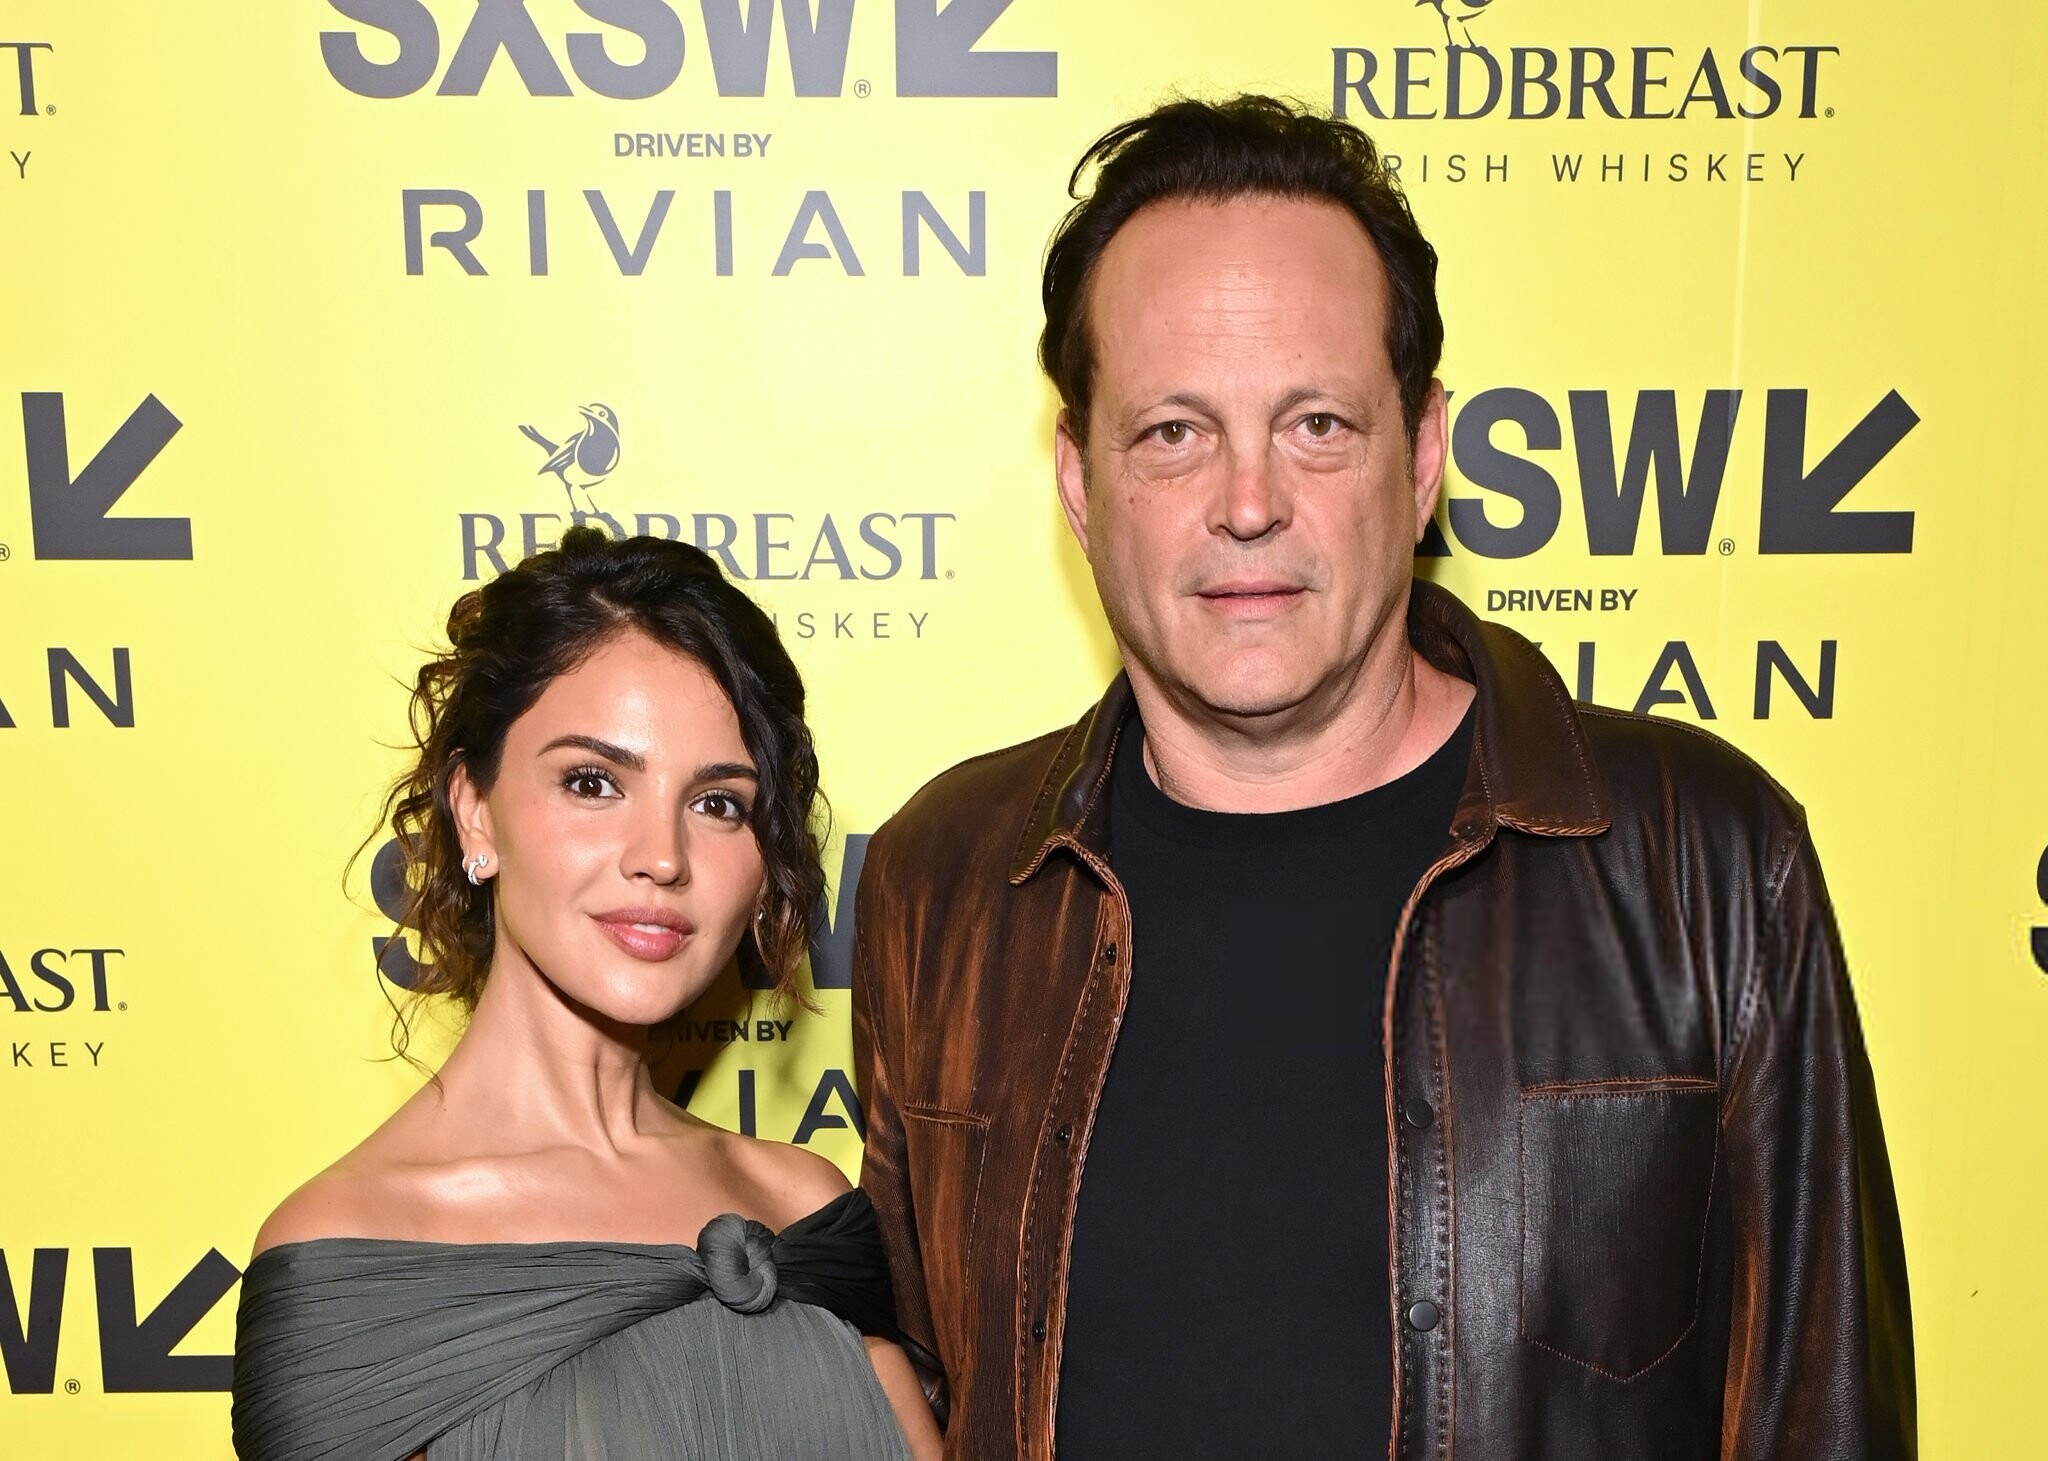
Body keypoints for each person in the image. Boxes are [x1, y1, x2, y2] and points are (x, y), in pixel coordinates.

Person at [851, 96, 1915, 1459]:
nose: (1247, 502)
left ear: (1419, 459)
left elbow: (1824, 1419)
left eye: (1316, 425)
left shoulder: (1699, 860)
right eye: (1173, 432)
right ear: (1078, 478)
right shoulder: (947, 880)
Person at [232, 528, 942, 1461]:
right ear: (475, 812)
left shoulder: (803, 1207)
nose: (662, 856)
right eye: (593, 781)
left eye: (718, 802)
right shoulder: (353, 1250)